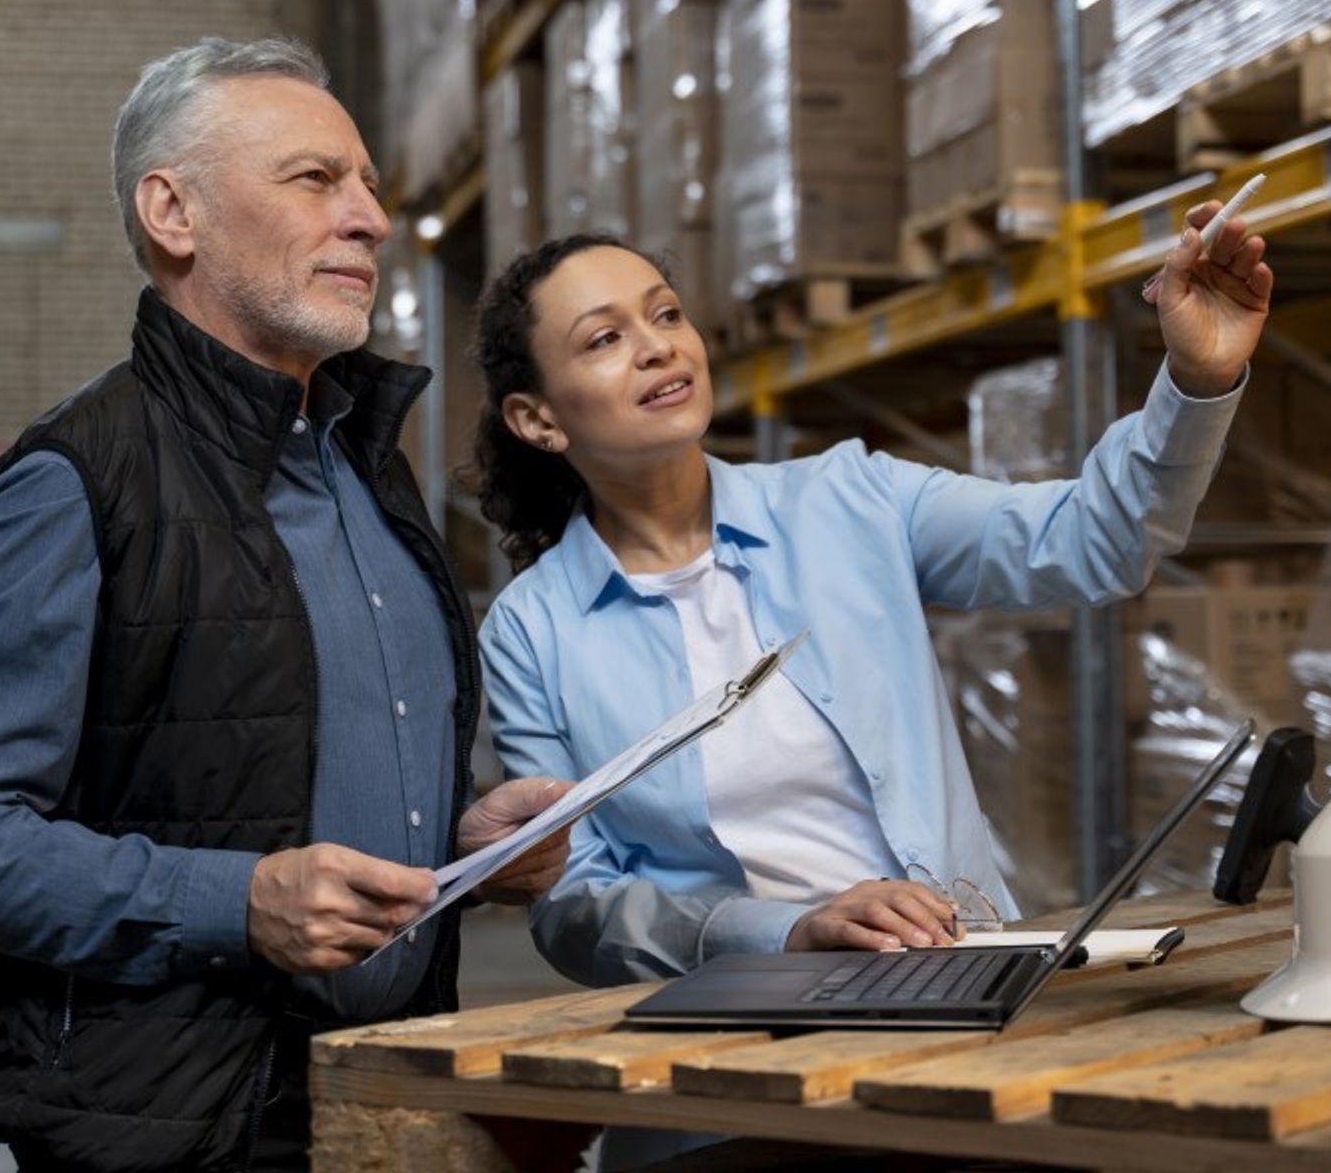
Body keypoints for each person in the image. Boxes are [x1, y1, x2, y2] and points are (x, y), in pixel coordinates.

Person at [0, 37, 572, 1173]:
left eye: (370, 186)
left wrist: (454, 843)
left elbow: (258, 758)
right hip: (179, 1124)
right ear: (173, 213)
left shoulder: (366, 467)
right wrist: (237, 900)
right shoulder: (79, 482)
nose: (370, 220)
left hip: (384, 1085)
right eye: (315, 180)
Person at [472, 217, 1270, 989]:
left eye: (666, 313)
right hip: (726, 1026)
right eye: (605, 339)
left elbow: (1095, 539)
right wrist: (788, 929)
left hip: (959, 980)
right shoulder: (530, 632)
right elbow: (571, 902)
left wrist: (1196, 381)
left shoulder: (853, 499)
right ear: (537, 419)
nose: (657, 347)